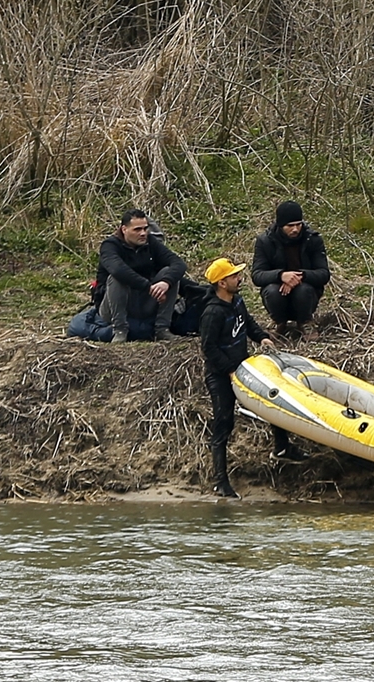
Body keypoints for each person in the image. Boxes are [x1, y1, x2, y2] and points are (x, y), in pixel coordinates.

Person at [199, 257, 305, 498]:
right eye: (234, 276)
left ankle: (282, 447)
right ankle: (220, 482)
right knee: (223, 423)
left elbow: (247, 323)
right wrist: (229, 370)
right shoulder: (212, 313)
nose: (239, 278)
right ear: (222, 283)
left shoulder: (237, 301)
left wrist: (262, 337)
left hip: (244, 369)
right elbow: (209, 348)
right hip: (221, 376)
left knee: (273, 401)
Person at [96, 207, 186, 343]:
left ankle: (162, 329)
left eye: (145, 228)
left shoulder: (150, 242)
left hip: (143, 301)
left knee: (169, 274)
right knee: (117, 278)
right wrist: (149, 287)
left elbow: (178, 263)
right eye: (137, 230)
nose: (143, 233)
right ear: (124, 230)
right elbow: (118, 270)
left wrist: (165, 282)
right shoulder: (110, 246)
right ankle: (120, 330)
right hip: (113, 305)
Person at [251, 200, 332, 340]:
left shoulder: (312, 239)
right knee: (272, 291)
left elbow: (323, 274)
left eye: (298, 224)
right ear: (281, 225)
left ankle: (305, 322)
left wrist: (300, 276)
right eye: (290, 226)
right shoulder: (265, 241)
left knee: (303, 290)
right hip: (277, 291)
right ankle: (279, 322)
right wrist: (281, 275)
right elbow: (257, 275)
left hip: (306, 291)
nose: (295, 229)